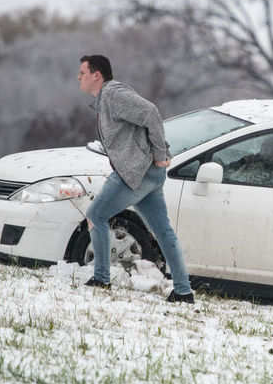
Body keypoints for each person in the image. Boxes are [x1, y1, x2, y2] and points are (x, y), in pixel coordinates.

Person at [77, 54, 194, 303]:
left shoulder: (113, 94)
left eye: (82, 73)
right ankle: (184, 291)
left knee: (96, 215)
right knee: (163, 231)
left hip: (136, 173)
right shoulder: (105, 99)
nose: (79, 78)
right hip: (148, 173)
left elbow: (150, 112)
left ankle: (101, 278)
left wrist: (161, 153)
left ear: (96, 75)